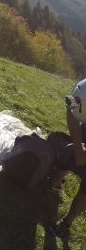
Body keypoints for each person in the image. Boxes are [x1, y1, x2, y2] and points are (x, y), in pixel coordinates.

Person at [49, 78, 86, 238]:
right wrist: (78, 149)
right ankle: (54, 186)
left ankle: (67, 222)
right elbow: (71, 113)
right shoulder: (82, 88)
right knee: (69, 152)